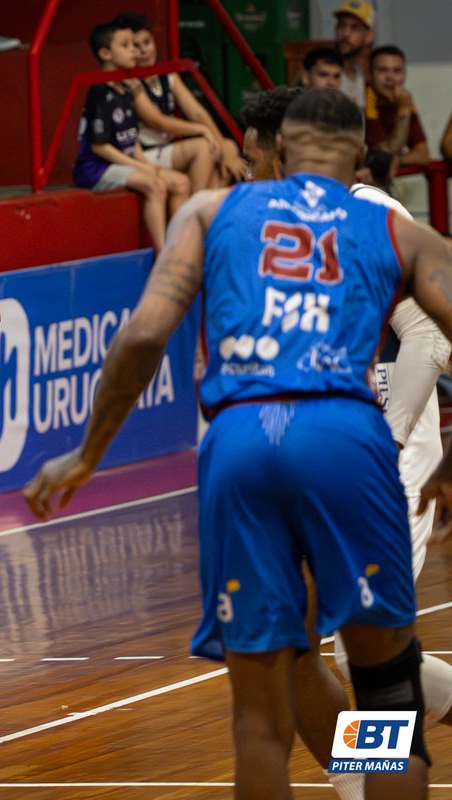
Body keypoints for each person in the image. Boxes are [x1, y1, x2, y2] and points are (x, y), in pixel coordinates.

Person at [25, 88, 451, 798]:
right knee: (384, 691)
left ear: (280, 149)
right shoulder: (396, 229)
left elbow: (141, 336)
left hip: (243, 438)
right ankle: (369, 769)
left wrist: (89, 451)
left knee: (259, 717)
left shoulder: (210, 210)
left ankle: (352, 775)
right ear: (360, 153)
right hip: (347, 442)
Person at [241, 84, 452, 800]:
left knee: (355, 643)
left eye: (251, 159)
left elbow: (428, 335)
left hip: (388, 453)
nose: (244, 173)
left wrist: (384, 445)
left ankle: (368, 784)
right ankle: (363, 779)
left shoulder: (371, 215)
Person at [71, 21, 189, 252]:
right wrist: (142, 168)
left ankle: (180, 247)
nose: (134, 50)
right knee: (155, 184)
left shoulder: (126, 90)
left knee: (181, 182)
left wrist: (146, 163)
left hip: (123, 162)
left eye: (134, 45)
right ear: (105, 54)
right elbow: (100, 147)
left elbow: (130, 139)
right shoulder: (100, 92)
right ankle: (164, 254)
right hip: (96, 168)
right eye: (125, 45)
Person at [115, 11, 236, 193]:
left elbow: (196, 112)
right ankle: (196, 205)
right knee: (204, 147)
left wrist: (223, 146)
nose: (144, 51)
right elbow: (157, 121)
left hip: (167, 149)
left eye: (147, 42)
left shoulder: (167, 75)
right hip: (144, 153)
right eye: (136, 46)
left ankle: (208, 206)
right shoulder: (130, 83)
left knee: (227, 147)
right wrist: (202, 130)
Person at [359, 45, 428, 189]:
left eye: (397, 71)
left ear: (405, 74)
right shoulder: (365, 97)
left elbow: (423, 155)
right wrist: (403, 109)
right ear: (369, 74)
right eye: (382, 70)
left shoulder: (403, 99)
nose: (390, 77)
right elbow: (383, 153)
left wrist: (399, 159)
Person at [333, 0, 374, 110]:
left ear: (369, 36)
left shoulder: (365, 76)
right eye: (342, 25)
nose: (345, 34)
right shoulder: (322, 72)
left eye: (355, 28)